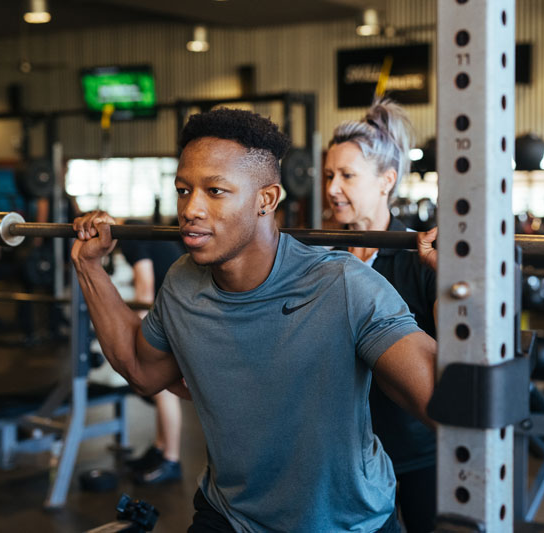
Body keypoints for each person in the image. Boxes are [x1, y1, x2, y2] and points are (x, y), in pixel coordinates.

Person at [71, 108, 438, 532]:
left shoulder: (341, 282)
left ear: (266, 199)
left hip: (345, 521)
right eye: (183, 189)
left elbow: (438, 400)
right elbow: (141, 372)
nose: (191, 208)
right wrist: (90, 269)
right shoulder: (182, 284)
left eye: (215, 191)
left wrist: (457, 288)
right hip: (231, 514)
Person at [325, 98, 438, 533]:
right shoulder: (323, 256)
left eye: (347, 176)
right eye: (330, 175)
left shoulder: (419, 257)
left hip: (415, 446)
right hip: (345, 448)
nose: (333, 188)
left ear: (386, 181)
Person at [119, 219, 186, 485]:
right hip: (180, 305)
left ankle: (171, 460)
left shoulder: (129, 239)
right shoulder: (142, 230)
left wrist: (140, 337)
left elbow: (145, 291)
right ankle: (160, 450)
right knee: (163, 389)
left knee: (165, 390)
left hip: (177, 311)